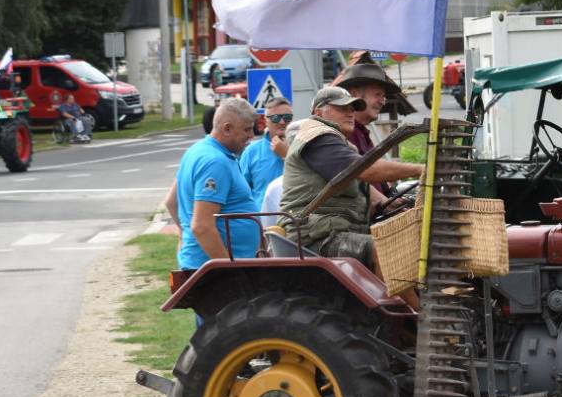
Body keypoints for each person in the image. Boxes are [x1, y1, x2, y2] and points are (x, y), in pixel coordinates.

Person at [278, 85, 422, 261]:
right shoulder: (318, 137)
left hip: (333, 231)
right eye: (342, 108)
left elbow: (358, 182)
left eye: (352, 109)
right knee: (387, 249)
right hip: (314, 238)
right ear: (319, 112)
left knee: (408, 239)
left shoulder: (337, 144)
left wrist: (387, 204)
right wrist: (420, 169)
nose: (350, 113)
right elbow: (366, 171)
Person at [172, 98, 262, 270]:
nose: (252, 135)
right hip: (215, 270)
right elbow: (202, 226)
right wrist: (229, 271)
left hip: (203, 264)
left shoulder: (198, 150)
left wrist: (185, 235)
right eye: (247, 129)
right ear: (227, 128)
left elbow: (171, 202)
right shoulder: (215, 162)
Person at [334, 59, 409, 205]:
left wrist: (391, 195)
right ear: (355, 94)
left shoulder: (362, 132)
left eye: (384, 96)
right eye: (378, 94)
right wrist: (420, 170)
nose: (383, 101)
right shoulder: (342, 134)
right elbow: (359, 175)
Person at [238, 95, 292, 205]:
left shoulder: (303, 147)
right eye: (276, 118)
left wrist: (288, 155)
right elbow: (240, 191)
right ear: (265, 120)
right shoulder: (251, 152)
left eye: (287, 117)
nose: (282, 122)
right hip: (262, 214)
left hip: (294, 214)